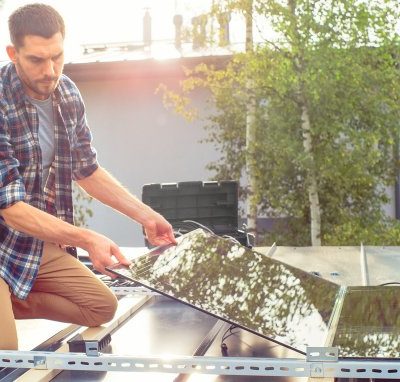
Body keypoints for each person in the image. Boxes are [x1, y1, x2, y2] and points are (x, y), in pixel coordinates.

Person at [0, 3, 176, 350]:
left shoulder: (66, 94)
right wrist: (87, 238)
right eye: (37, 59)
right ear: (13, 54)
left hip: (23, 243)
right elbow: (11, 209)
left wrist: (147, 216)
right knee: (7, 357)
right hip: (11, 225)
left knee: (99, 306)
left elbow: (87, 169)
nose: (50, 70)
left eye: (57, 57)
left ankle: (11, 300)